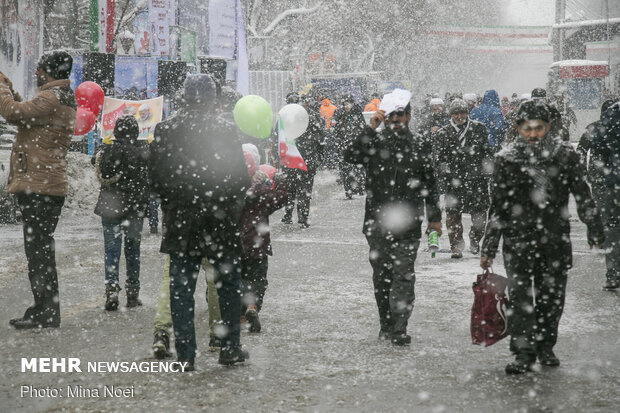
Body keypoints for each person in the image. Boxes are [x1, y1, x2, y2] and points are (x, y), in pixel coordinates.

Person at [480, 100, 604, 374]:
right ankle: (523, 351)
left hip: (555, 239)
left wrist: (594, 226)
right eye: (527, 129)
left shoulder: (564, 156)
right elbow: (499, 206)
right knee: (521, 297)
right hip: (518, 240)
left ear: (548, 127)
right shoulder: (506, 159)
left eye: (538, 128)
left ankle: (546, 345)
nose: (533, 134)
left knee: (552, 298)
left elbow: (582, 194)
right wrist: (489, 245)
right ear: (518, 128)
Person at [149, 74, 250, 369]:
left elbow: (155, 181)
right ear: (212, 99)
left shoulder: (165, 130)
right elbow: (240, 179)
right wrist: (225, 203)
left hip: (181, 222)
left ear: (185, 97)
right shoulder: (226, 130)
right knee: (228, 285)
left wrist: (175, 201)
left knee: (181, 288)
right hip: (219, 220)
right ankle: (229, 347)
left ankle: (185, 354)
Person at [344, 101, 442, 346]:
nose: (396, 120)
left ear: (409, 116)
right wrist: (370, 129)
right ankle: (386, 324)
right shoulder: (375, 142)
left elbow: (430, 183)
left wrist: (435, 218)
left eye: (401, 115)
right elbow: (350, 157)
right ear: (384, 118)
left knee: (404, 275)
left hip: (408, 223)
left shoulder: (419, 143)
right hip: (377, 222)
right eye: (391, 116)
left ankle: (400, 327)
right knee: (382, 275)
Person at [0, 51, 76, 329]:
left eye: (40, 69)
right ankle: (44, 307)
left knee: (39, 252)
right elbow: (25, 114)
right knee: (40, 250)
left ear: (50, 72)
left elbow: (11, 112)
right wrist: (10, 90)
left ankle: (47, 310)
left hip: (40, 186)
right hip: (45, 185)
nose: (36, 73)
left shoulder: (51, 98)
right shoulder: (57, 97)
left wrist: (1, 88)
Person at [92, 115, 149, 310]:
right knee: (133, 251)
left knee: (112, 251)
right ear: (136, 132)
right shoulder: (142, 154)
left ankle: (112, 291)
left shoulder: (105, 151)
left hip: (111, 207)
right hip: (134, 209)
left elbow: (95, 162)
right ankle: (133, 293)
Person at [238, 150, 288, 332]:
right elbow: (281, 198)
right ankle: (253, 306)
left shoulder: (231, 191)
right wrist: (281, 181)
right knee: (258, 279)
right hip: (258, 244)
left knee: (240, 280)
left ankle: (241, 314)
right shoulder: (262, 191)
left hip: (237, 245)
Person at [436, 99, 493, 258]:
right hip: (454, 181)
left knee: (480, 216)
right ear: (451, 115)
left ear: (467, 113)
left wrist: (488, 170)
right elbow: (439, 158)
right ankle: (456, 246)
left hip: (477, 179)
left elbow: (487, 152)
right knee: (453, 217)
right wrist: (443, 172)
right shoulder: (443, 133)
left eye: (462, 113)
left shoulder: (479, 128)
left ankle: (475, 241)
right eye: (456, 113)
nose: (460, 116)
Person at [281, 95, 325, 228]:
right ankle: (303, 217)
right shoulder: (311, 117)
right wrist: (319, 156)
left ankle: (288, 214)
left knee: (290, 188)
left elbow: (278, 138)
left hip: (291, 159)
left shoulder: (286, 118)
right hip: (307, 159)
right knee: (304, 190)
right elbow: (320, 140)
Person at [590, 100, 620, 290]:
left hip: (616, 182)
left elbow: (598, 148)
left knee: (614, 227)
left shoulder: (613, 113)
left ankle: (614, 274)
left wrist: (608, 170)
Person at [333, 94, 367, 199]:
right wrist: (339, 142)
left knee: (358, 169)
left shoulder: (358, 115)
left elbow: (363, 130)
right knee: (345, 170)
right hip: (344, 147)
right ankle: (348, 191)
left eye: (348, 104)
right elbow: (336, 131)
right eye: (344, 104)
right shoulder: (341, 116)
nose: (346, 106)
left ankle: (360, 188)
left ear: (352, 105)